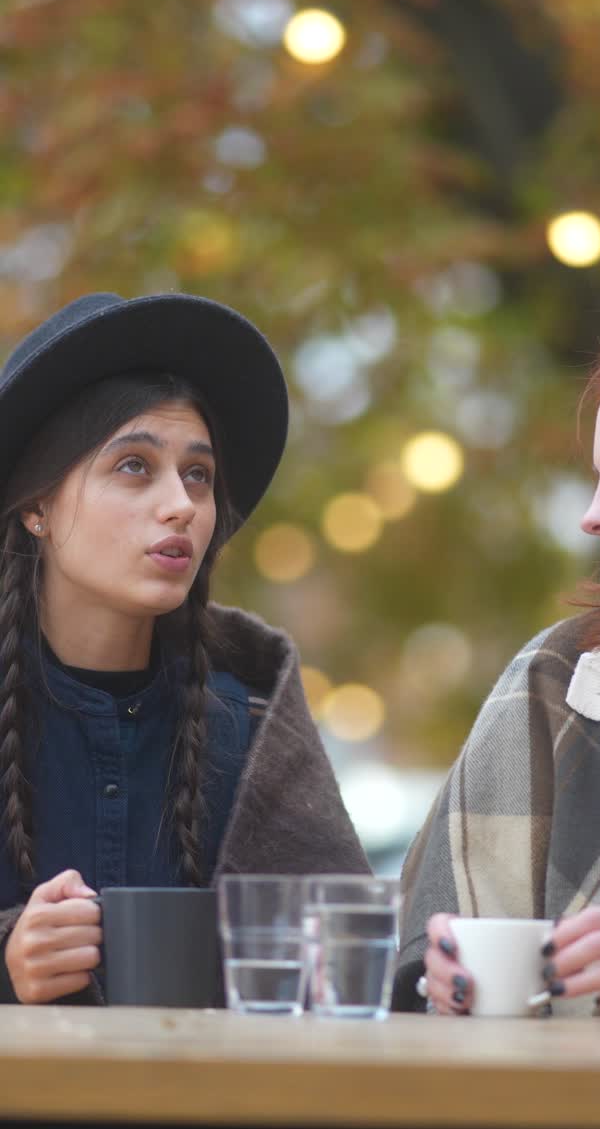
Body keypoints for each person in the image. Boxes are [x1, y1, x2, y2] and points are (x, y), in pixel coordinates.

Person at [0, 291, 369, 1005]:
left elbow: (351, 970)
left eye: (197, 475)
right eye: (134, 466)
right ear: (36, 507)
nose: (180, 504)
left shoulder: (251, 727)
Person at [395, 310, 600, 1020]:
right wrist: (441, 974)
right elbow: (427, 953)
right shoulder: (559, 681)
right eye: (596, 477)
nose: (593, 514)